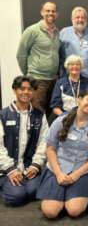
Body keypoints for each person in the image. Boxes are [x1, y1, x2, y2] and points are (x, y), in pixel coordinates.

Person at [36, 89, 88, 219]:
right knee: (50, 212)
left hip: (80, 170)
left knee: (74, 211)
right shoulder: (60, 121)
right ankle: (60, 196)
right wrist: (58, 173)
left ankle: (69, 195)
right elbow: (50, 149)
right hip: (57, 168)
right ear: (79, 99)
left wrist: (77, 173)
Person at [0, 76, 48, 206]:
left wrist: (36, 165)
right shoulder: (2, 115)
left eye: (30, 89)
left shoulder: (40, 115)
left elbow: (44, 142)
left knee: (34, 192)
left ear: (34, 92)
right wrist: (10, 169)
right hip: (6, 168)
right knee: (16, 197)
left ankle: (22, 185)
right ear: (14, 90)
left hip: (28, 166)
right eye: (22, 89)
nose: (26, 92)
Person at [16, 1, 59, 117]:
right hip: (37, 78)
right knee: (37, 113)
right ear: (42, 12)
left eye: (53, 11)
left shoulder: (57, 33)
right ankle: (35, 136)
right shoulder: (32, 31)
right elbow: (21, 54)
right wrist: (28, 74)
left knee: (50, 112)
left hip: (52, 79)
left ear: (57, 14)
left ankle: (45, 135)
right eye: (47, 11)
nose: (50, 13)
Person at [59, 7, 88, 87]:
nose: (80, 20)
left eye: (83, 17)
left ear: (86, 19)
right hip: (69, 80)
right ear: (72, 19)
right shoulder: (63, 34)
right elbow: (57, 56)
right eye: (77, 17)